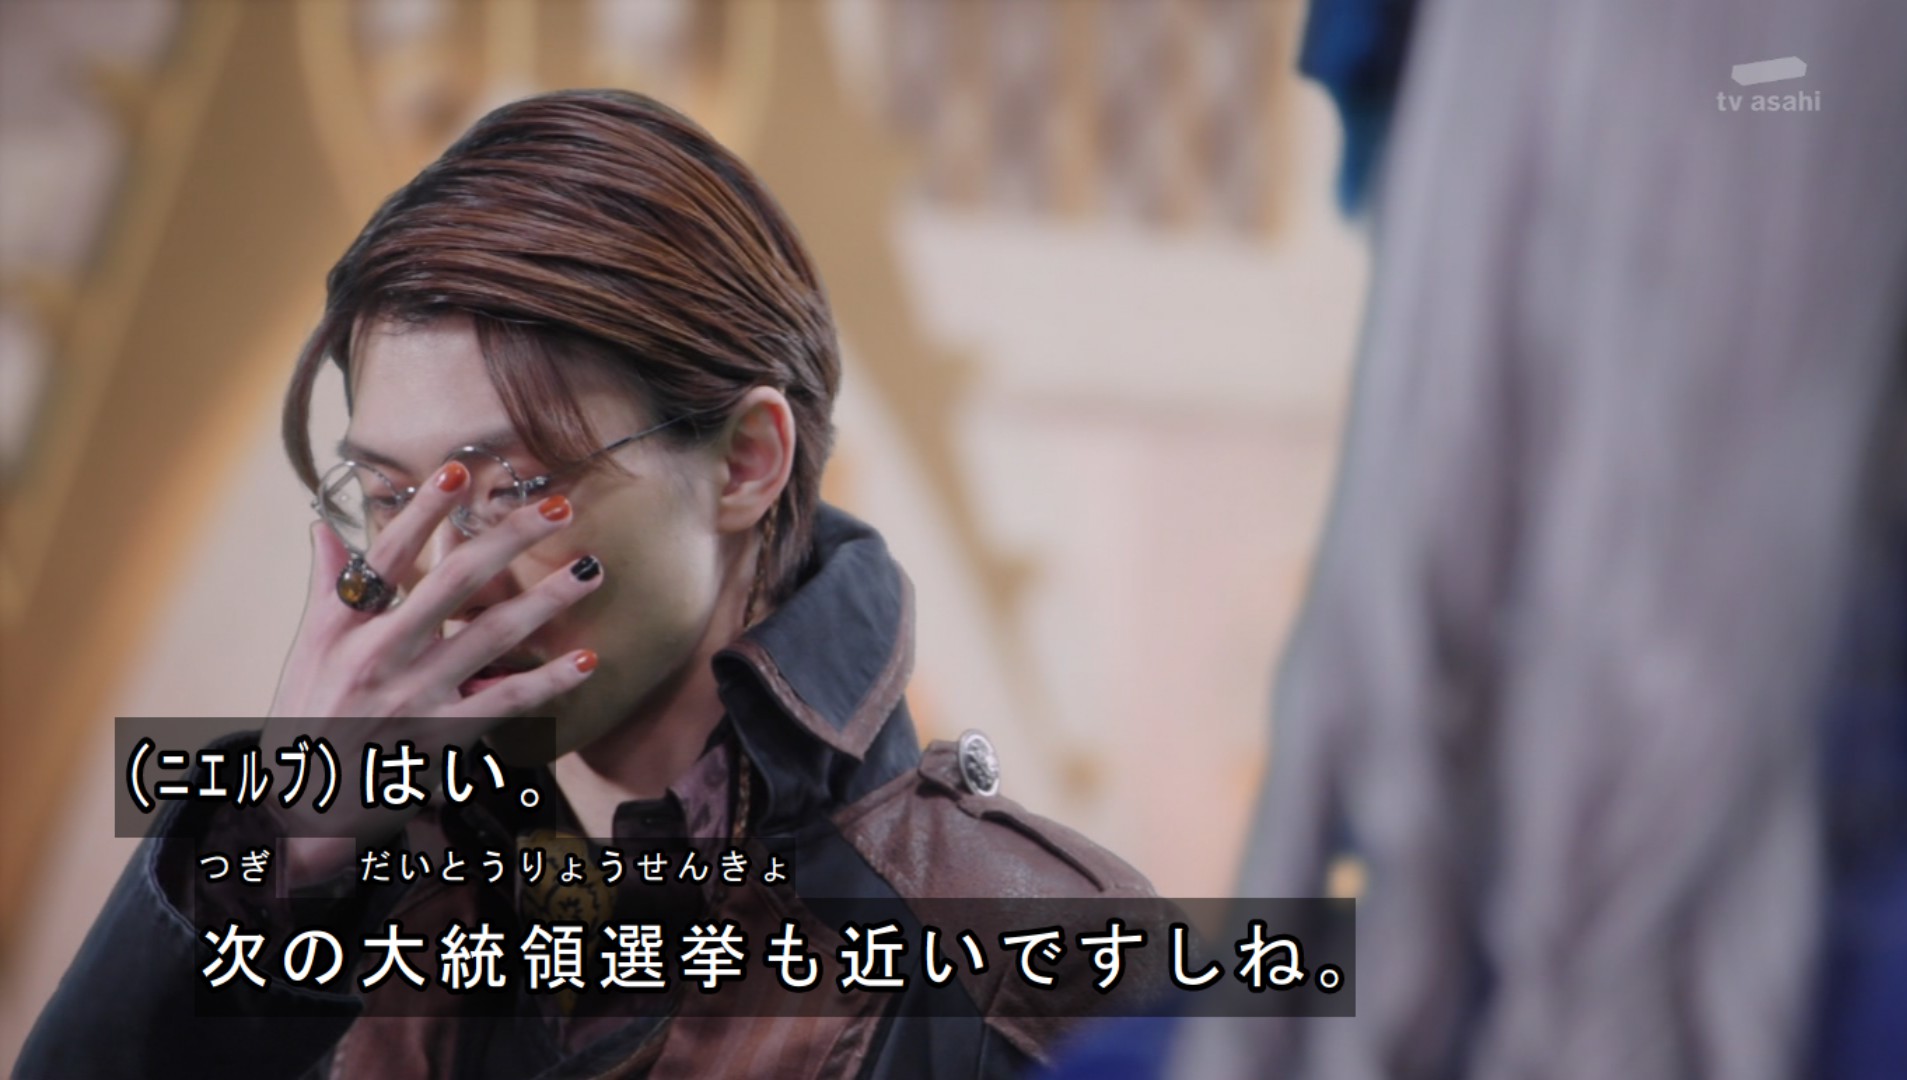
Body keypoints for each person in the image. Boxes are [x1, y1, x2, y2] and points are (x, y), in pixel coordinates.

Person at [21, 88, 1154, 1080]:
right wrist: (282, 846)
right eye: (391, 496)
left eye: (513, 490)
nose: (438, 579)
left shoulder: (1039, 966)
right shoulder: (344, 897)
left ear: (746, 463)